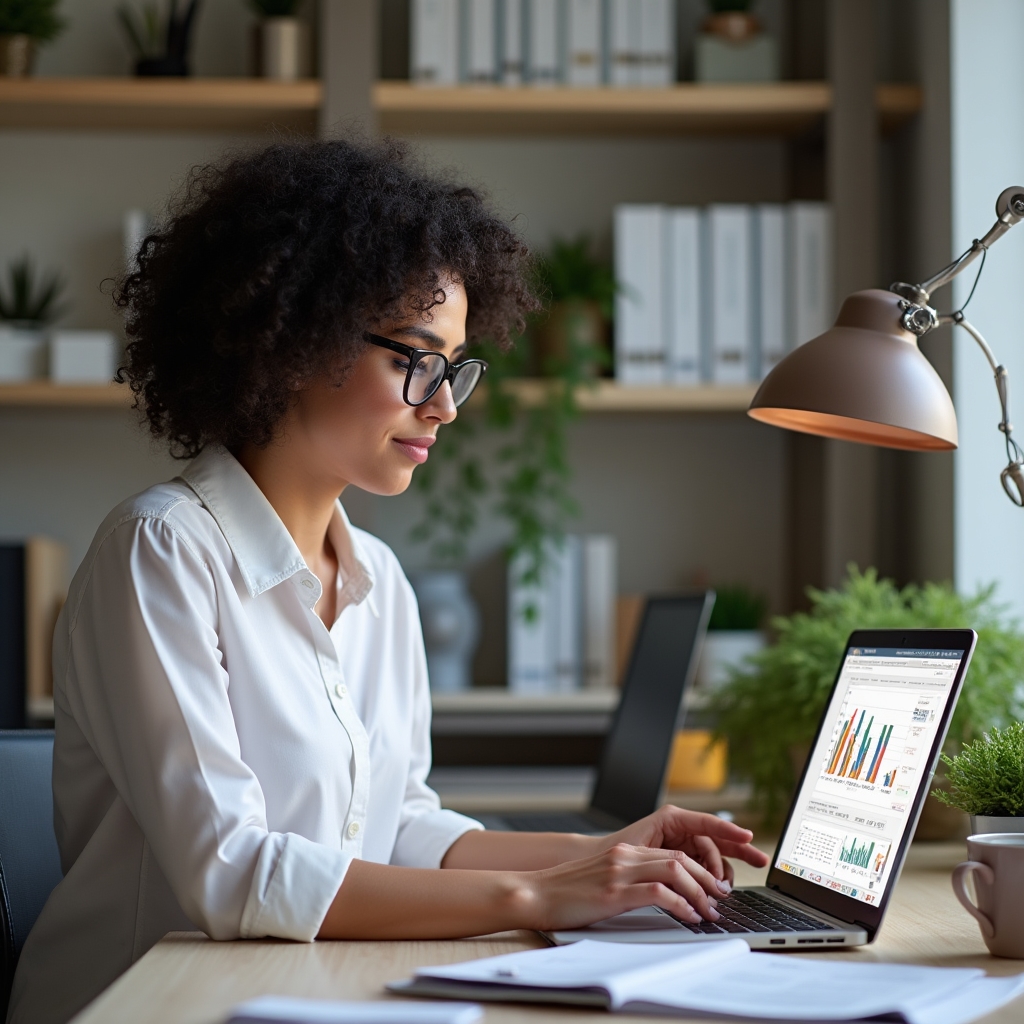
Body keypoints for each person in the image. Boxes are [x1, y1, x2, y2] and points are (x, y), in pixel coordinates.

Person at [8, 138, 769, 1024]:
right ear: (292, 339)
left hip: (307, 994)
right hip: (152, 1006)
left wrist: (603, 855)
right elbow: (234, 874)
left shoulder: (382, 580)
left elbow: (401, 828)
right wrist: (540, 896)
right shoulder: (160, 552)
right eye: (415, 359)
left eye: (454, 368)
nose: (442, 405)